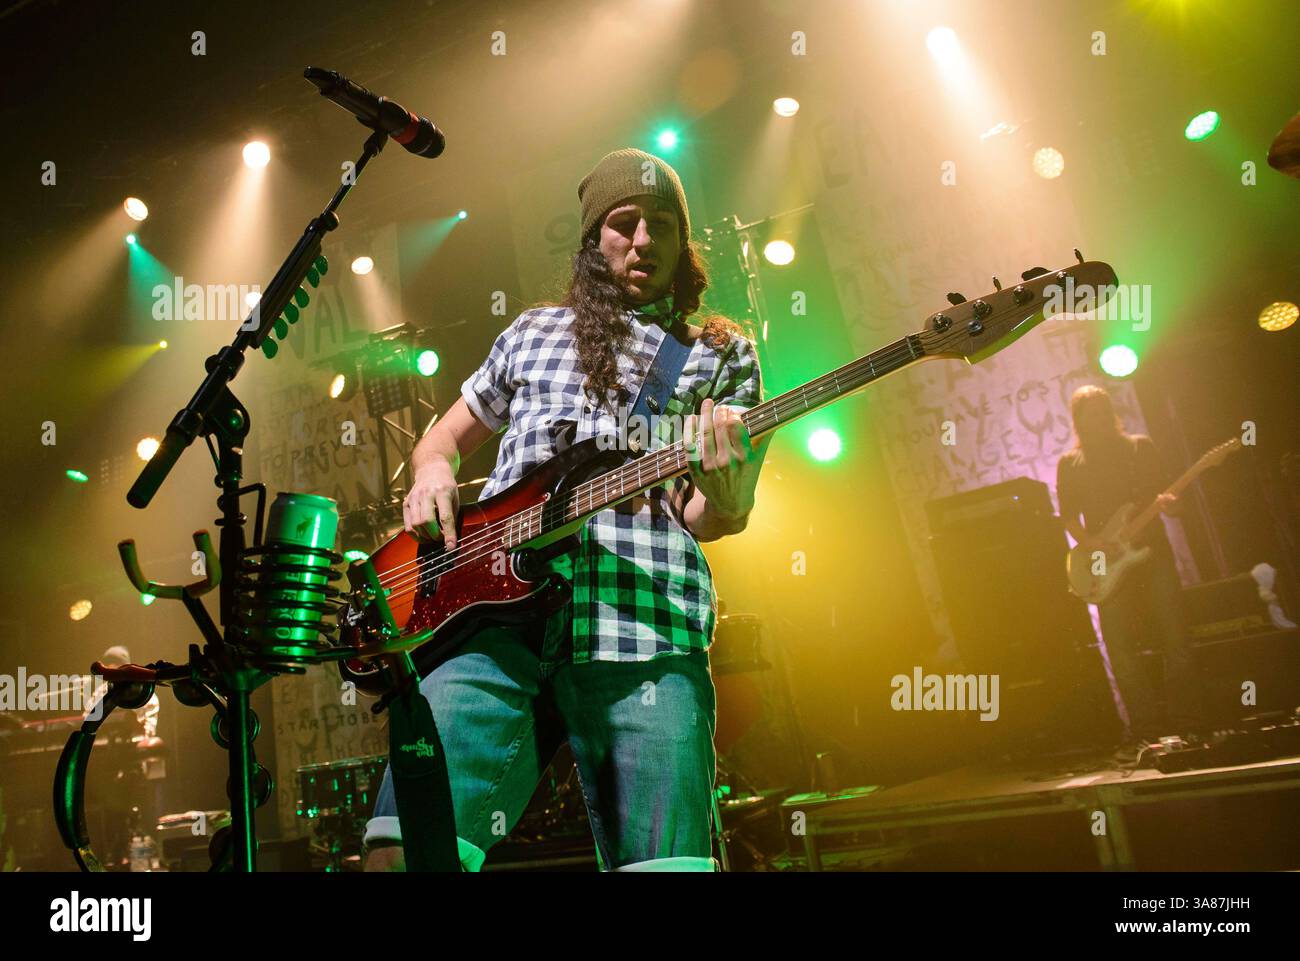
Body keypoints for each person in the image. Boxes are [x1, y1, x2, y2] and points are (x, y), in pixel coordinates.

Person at [363, 148, 768, 871]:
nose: (645, 240)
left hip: (643, 627)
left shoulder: (717, 353)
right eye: (625, 223)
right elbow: (446, 436)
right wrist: (428, 471)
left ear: (683, 244)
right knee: (401, 852)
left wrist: (730, 489)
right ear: (592, 239)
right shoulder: (530, 331)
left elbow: (709, 516)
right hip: (493, 627)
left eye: (664, 226)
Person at [1056, 386, 1203, 756]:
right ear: (1078, 421)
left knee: (1177, 640)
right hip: (1105, 561)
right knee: (1121, 650)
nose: (1098, 420)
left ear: (1112, 413)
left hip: (1152, 555)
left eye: (1102, 412)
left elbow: (1172, 505)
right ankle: (1146, 731)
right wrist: (1092, 543)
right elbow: (1069, 517)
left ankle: (1188, 724)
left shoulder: (1140, 447)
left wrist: (1172, 507)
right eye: (1089, 414)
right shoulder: (1070, 463)